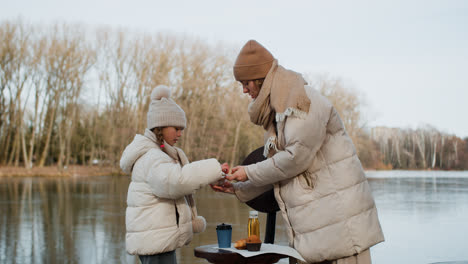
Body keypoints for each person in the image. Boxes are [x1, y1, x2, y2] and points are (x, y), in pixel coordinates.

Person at [212, 40, 384, 264]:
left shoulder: (302, 101)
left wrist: (247, 172)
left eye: (246, 83)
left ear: (261, 79)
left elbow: (295, 159)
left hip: (340, 227)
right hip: (315, 230)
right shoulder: (277, 115)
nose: (244, 90)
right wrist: (237, 187)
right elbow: (278, 169)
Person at [120, 85, 229, 264]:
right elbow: (176, 182)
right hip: (154, 243)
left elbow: (176, 178)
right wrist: (213, 168)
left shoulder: (160, 154)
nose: (180, 134)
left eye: (182, 129)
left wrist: (215, 175)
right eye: (176, 128)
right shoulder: (152, 157)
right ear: (160, 126)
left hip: (157, 240)